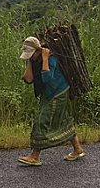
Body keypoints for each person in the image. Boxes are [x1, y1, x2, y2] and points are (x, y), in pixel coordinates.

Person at [17, 36, 84, 166]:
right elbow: (28, 79)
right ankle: (78, 149)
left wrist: (45, 59)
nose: (30, 57)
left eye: (32, 54)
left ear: (38, 51)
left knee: (42, 120)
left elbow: (47, 78)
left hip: (58, 91)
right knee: (63, 118)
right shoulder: (31, 59)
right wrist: (29, 61)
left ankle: (34, 156)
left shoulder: (51, 58)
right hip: (46, 93)